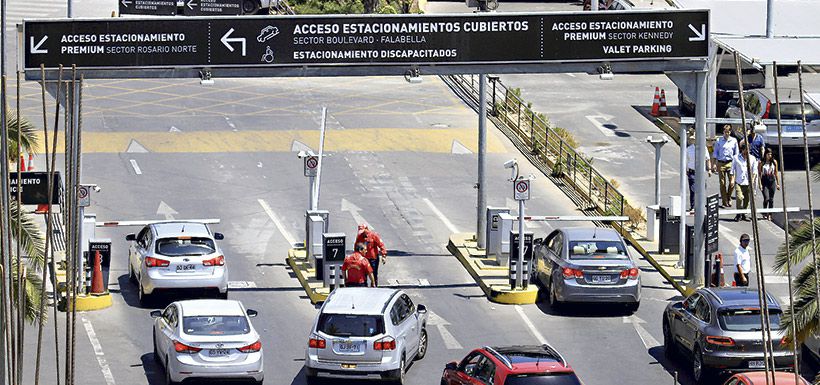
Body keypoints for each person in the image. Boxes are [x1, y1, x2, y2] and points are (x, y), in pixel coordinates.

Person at [712, 125, 739, 208]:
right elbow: (715, 153)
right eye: (725, 132)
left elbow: (736, 154)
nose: (727, 133)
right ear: (723, 132)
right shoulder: (719, 141)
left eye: (728, 132)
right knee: (722, 183)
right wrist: (714, 164)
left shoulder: (734, 141)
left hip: (730, 163)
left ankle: (728, 196)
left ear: (730, 132)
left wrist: (737, 165)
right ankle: (724, 201)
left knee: (732, 183)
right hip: (721, 163)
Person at [686, 134, 712, 212]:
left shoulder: (703, 148)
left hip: (701, 172)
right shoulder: (689, 149)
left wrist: (709, 169)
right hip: (692, 172)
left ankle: (701, 205)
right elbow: (686, 160)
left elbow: (707, 159)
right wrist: (686, 170)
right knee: (693, 189)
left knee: (702, 189)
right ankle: (693, 206)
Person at [731, 143, 756, 222]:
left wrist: (752, 179)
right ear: (742, 150)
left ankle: (744, 214)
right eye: (745, 150)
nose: (747, 152)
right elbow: (732, 170)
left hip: (748, 183)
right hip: (739, 182)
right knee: (739, 197)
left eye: (748, 150)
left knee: (747, 200)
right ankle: (738, 213)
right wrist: (732, 180)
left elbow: (754, 171)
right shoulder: (736, 158)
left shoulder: (752, 158)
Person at [758, 148, 780, 220]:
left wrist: (777, 183)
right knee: (766, 198)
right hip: (764, 181)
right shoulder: (762, 162)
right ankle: (764, 212)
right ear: (765, 154)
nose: (769, 156)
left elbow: (776, 173)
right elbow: (759, 173)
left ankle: (770, 214)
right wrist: (760, 184)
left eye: (771, 154)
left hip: (772, 180)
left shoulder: (774, 162)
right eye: (768, 154)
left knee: (771, 199)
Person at [746, 124, 765, 190]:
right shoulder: (747, 137)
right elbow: (741, 144)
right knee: (750, 173)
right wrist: (746, 135)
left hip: (757, 158)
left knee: (757, 173)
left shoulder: (760, 137)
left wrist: (762, 157)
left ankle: (756, 188)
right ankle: (750, 188)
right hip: (749, 158)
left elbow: (762, 148)